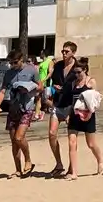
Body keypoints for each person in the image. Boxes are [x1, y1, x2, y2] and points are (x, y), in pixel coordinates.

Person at [0, 50, 38, 178]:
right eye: (11, 63)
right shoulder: (8, 73)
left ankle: (28, 160)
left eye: (15, 62)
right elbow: (3, 90)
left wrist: (29, 87)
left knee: (19, 137)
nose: (13, 65)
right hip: (13, 108)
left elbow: (40, 87)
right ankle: (18, 169)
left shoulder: (32, 70)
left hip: (27, 107)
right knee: (14, 141)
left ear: (21, 59)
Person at [64, 58, 103, 180]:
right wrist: (68, 114)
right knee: (72, 143)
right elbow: (72, 101)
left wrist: (90, 115)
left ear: (85, 70)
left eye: (79, 72)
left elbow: (95, 101)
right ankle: (74, 172)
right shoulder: (73, 83)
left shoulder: (91, 82)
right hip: (75, 115)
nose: (77, 74)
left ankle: (100, 161)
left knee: (91, 144)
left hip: (88, 115)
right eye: (75, 72)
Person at [45, 42, 78, 178]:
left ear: (73, 53)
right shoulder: (58, 66)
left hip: (71, 105)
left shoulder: (78, 68)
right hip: (57, 104)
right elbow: (51, 82)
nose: (64, 54)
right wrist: (51, 92)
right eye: (63, 51)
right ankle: (59, 164)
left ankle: (72, 166)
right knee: (52, 134)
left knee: (72, 138)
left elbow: (81, 85)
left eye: (67, 51)